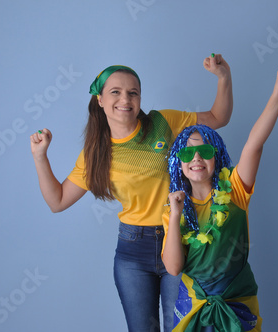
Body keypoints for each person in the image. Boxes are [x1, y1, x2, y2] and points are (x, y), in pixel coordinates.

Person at [30, 54, 233, 331]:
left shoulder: (164, 123)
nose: (125, 99)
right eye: (116, 92)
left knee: (184, 327)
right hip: (133, 250)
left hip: (181, 239)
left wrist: (223, 77)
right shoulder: (95, 154)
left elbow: (219, 117)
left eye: (133, 93)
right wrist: (41, 157)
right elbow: (57, 201)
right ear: (100, 99)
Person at [162, 64, 278, 331]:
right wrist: (176, 214)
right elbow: (174, 268)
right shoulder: (173, 211)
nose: (197, 158)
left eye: (205, 150)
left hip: (239, 300)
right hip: (194, 305)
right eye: (188, 154)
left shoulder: (235, 189)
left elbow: (254, 144)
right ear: (179, 164)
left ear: (218, 155)